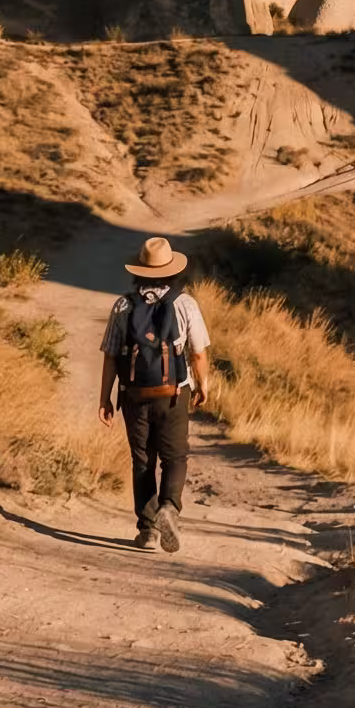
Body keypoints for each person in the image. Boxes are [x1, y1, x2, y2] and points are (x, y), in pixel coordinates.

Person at [98, 235, 213, 552]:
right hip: (174, 392)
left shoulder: (123, 305)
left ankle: (147, 531)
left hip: (133, 393)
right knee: (175, 456)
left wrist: (104, 398)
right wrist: (202, 385)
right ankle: (169, 508)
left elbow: (110, 355)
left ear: (139, 271)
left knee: (142, 460)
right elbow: (199, 352)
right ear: (172, 270)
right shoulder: (185, 303)